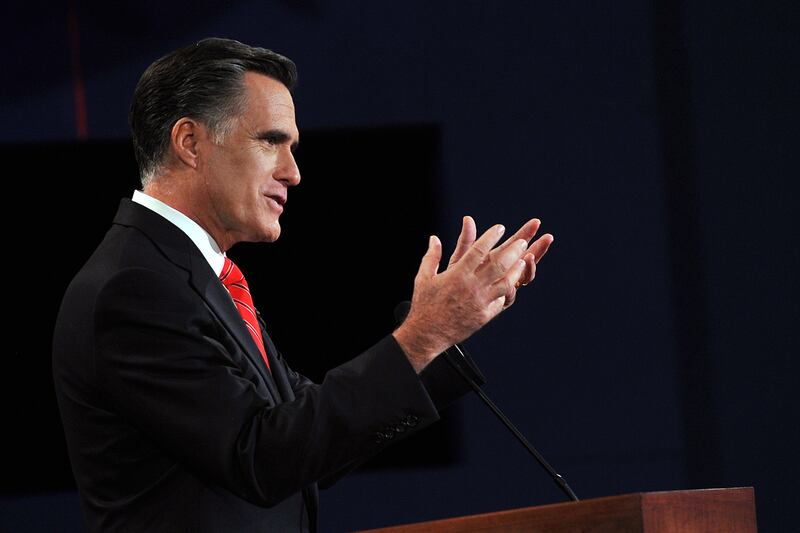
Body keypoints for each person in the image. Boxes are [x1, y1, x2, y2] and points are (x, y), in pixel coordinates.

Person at [52, 37, 554, 533]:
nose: (293, 173)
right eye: (271, 141)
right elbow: (259, 455)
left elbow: (304, 439)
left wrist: (438, 337)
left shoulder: (193, 274)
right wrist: (426, 332)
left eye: (292, 148)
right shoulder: (135, 287)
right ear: (190, 143)